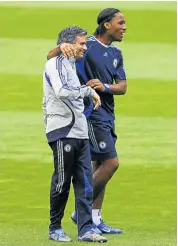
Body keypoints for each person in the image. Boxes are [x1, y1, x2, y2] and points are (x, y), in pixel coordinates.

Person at [47, 8, 127, 234]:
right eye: (120, 23)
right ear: (106, 24)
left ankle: (95, 218)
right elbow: (53, 58)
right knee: (111, 163)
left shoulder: (116, 53)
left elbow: (123, 87)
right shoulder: (86, 46)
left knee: (99, 165)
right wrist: (61, 47)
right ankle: (79, 210)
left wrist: (106, 87)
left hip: (108, 112)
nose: (124, 28)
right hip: (91, 113)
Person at [43, 25, 108, 243]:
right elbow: (62, 92)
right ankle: (55, 228)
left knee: (85, 182)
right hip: (63, 130)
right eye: (81, 43)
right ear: (68, 44)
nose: (85, 47)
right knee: (62, 181)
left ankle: (86, 230)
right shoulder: (56, 63)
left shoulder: (71, 62)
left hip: (79, 131)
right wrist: (88, 91)